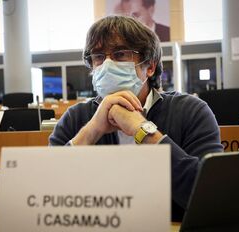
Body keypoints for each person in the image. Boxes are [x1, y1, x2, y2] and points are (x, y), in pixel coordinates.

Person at [49, 15, 223, 221]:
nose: (106, 65)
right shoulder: (76, 118)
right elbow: (48, 192)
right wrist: (92, 130)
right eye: (98, 57)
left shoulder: (191, 111)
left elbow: (211, 198)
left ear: (149, 66)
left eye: (120, 54)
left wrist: (142, 130)